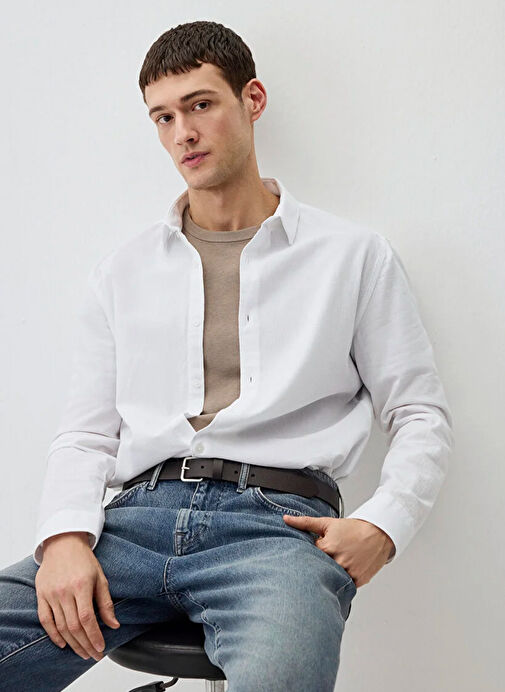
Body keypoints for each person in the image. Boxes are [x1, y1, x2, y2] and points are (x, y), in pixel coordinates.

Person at [0, 20, 454, 692]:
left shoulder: (352, 257)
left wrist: (382, 526)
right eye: (163, 117)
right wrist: (65, 537)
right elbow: (86, 433)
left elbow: (418, 413)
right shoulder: (122, 272)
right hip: (133, 523)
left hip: (276, 530)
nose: (182, 132)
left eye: (200, 105)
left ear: (252, 100)